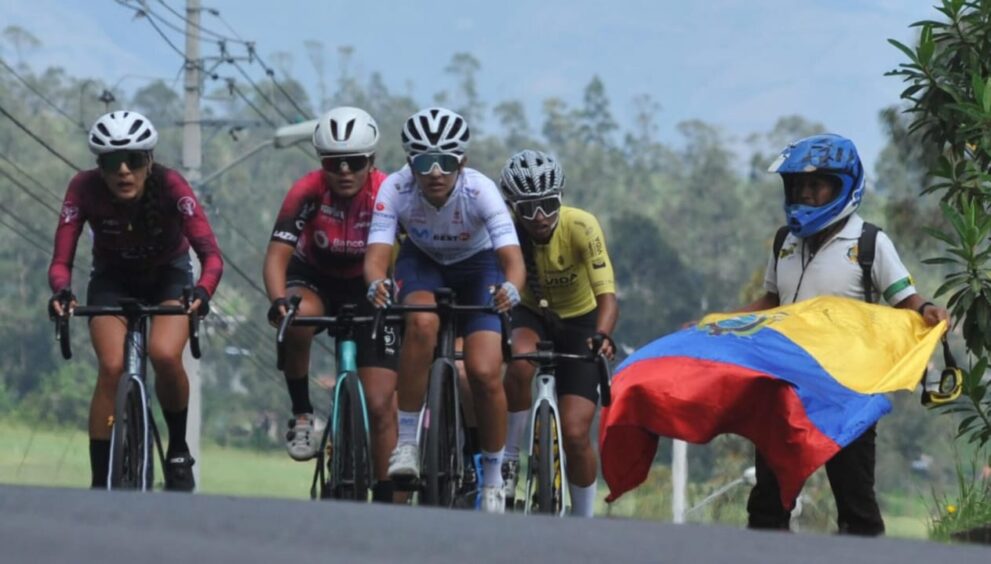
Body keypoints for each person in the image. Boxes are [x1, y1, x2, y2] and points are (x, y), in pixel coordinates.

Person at [738, 133, 948, 535]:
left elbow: (905, 298)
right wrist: (717, 324)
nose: (806, 193)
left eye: (816, 185)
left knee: (855, 504)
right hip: (785, 385)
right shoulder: (785, 241)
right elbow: (769, 302)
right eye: (799, 185)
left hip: (848, 390)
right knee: (768, 501)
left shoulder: (870, 243)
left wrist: (928, 311)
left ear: (844, 186)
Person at [48, 110, 223, 492]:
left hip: (168, 277)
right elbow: (61, 261)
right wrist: (62, 291)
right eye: (112, 161)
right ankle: (99, 481)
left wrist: (203, 292)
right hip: (113, 279)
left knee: (163, 353)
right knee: (111, 367)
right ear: (99, 166)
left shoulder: (172, 185)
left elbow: (211, 256)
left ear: (150, 161)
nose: (123, 170)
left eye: (134, 160)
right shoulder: (83, 188)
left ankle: (177, 449)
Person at [364, 107, 525, 513]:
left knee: (486, 370)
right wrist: (375, 283)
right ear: (409, 163)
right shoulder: (396, 190)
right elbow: (377, 255)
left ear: (462, 163)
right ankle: (406, 443)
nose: (435, 172)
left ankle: (491, 476)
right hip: (424, 263)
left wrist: (510, 288)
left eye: (446, 161)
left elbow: (513, 260)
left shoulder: (480, 190)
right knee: (421, 323)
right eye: (423, 161)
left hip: (478, 265)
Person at [263, 106, 400, 503]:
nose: (343, 170)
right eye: (333, 162)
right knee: (298, 315)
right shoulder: (306, 190)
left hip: (368, 283)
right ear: (321, 162)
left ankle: (388, 494)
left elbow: (406, 255)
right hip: (315, 277)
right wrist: (278, 302)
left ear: (370, 162)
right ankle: (303, 413)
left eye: (354, 162)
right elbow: (276, 257)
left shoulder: (387, 192)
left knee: (379, 403)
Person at [497, 150, 618, 516]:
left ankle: (583, 517)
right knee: (518, 364)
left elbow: (608, 298)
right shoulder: (506, 230)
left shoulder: (581, 226)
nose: (539, 217)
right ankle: (509, 459)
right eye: (528, 208)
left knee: (576, 433)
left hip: (582, 322)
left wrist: (602, 336)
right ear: (512, 206)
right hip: (531, 313)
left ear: (560, 198)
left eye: (548, 205)